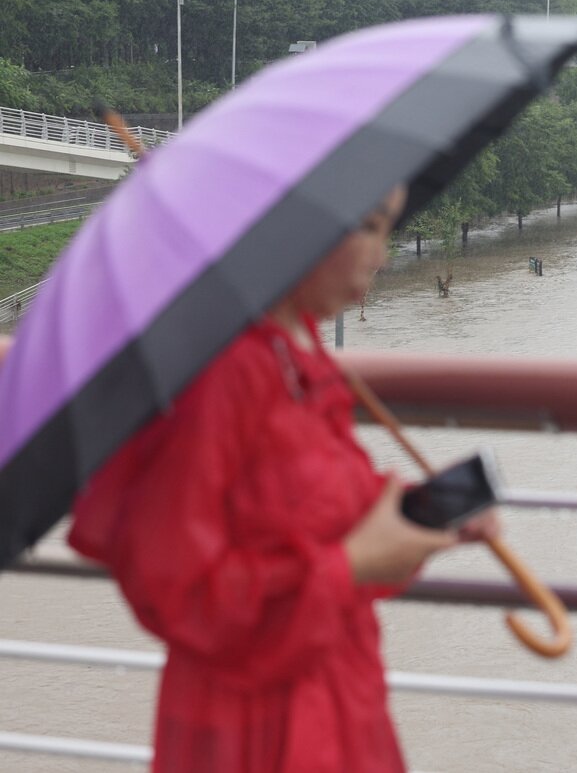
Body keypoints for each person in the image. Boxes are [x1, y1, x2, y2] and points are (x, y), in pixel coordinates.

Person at [68, 184, 497, 772]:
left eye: (388, 228)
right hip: (250, 731)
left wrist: (422, 517)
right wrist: (348, 569)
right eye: (369, 225)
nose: (383, 253)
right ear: (294, 227)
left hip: (340, 699)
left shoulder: (300, 356)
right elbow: (178, 590)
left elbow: (320, 519)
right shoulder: (219, 373)